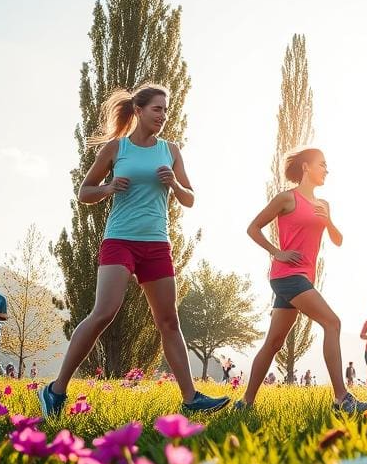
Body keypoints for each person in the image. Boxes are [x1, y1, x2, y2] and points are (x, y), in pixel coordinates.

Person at [39, 84, 229, 419]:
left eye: (166, 110)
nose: (163, 116)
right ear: (139, 110)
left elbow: (190, 198)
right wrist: (109, 187)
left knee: (168, 320)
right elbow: (84, 192)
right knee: (104, 312)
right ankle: (56, 391)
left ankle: (190, 398)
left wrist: (174, 184)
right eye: (157, 109)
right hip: (120, 240)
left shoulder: (170, 150)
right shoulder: (117, 148)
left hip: (156, 243)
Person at [238, 147, 367, 413]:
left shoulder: (323, 205)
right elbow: (253, 228)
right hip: (287, 275)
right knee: (332, 322)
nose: (326, 170)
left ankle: (245, 404)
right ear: (306, 168)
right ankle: (341, 399)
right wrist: (277, 252)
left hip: (301, 277)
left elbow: (338, 240)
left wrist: (330, 221)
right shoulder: (286, 199)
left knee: (274, 343)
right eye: (321, 164)